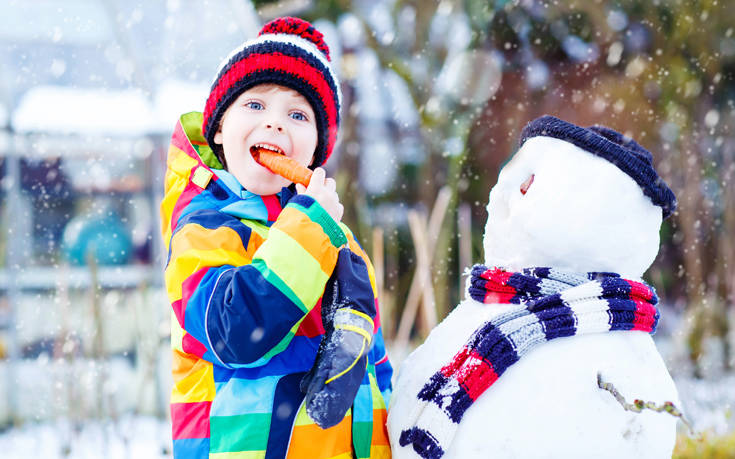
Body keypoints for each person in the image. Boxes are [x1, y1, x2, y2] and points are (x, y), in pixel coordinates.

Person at [160, 17, 392, 459]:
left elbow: (374, 364)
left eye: (298, 115)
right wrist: (309, 229)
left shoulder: (338, 241)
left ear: (318, 148)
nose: (275, 125)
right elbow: (236, 332)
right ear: (220, 131)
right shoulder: (204, 229)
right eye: (254, 105)